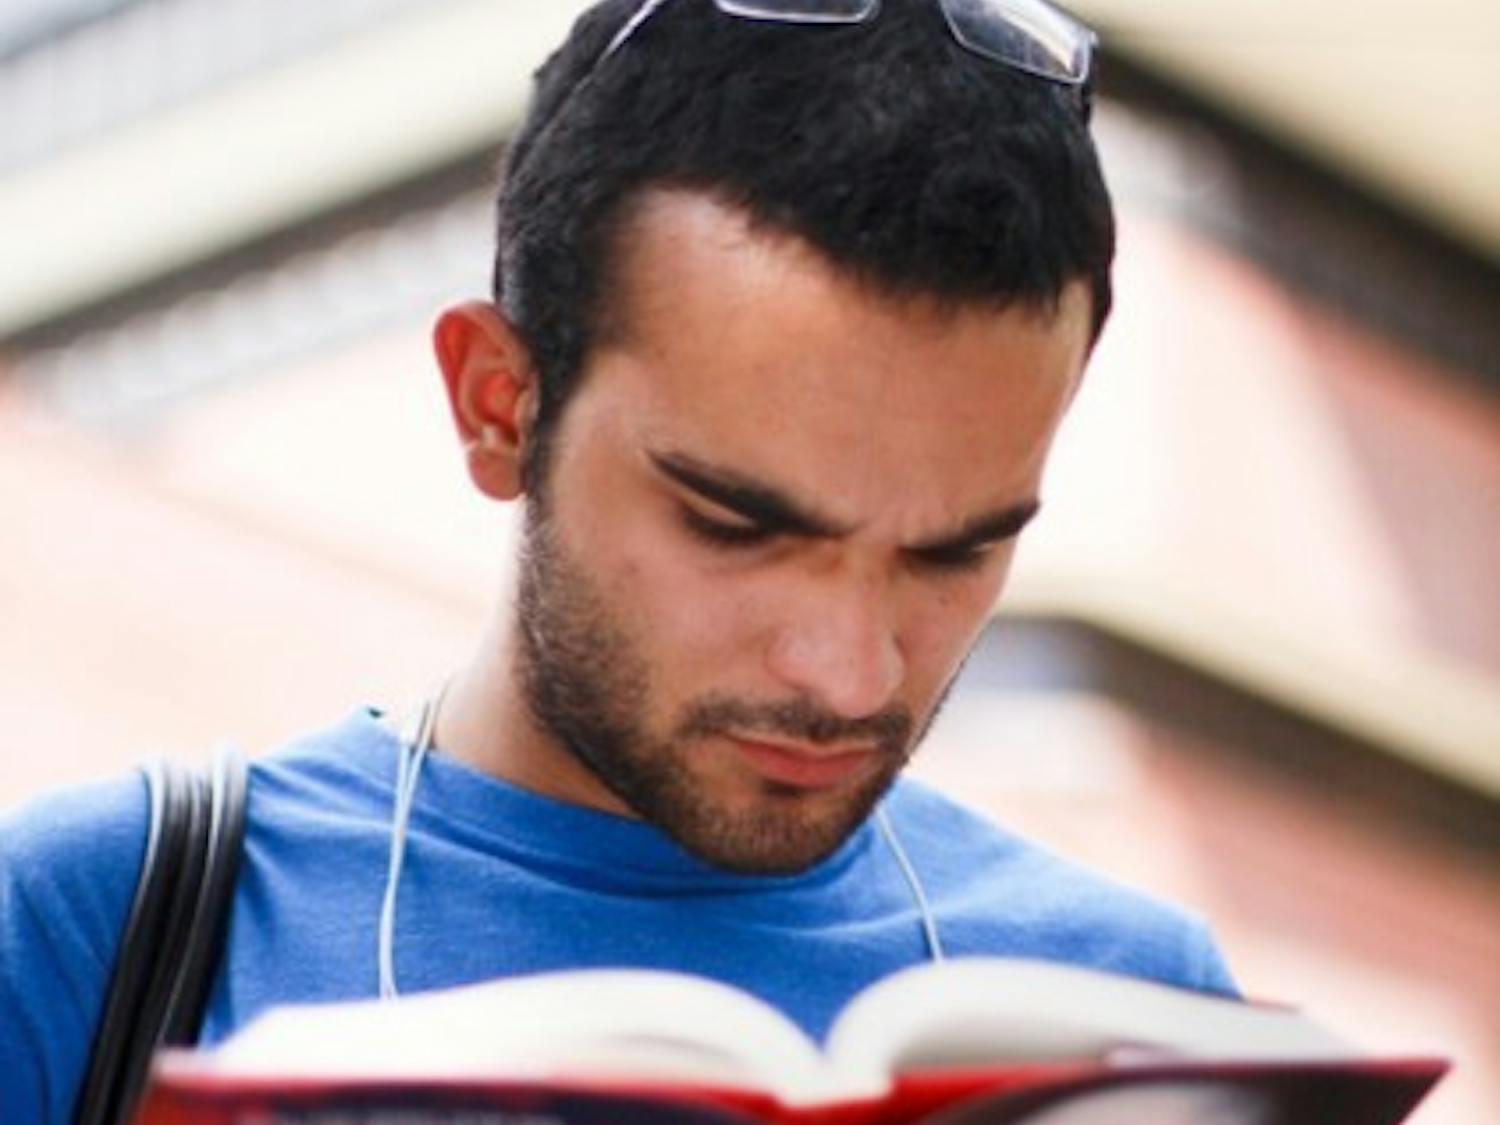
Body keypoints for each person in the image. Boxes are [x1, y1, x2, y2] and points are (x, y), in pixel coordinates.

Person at [0, 0, 1237, 1120]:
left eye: (954, 554)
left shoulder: (1142, 1022)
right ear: (500, 406)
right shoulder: (91, 929)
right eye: (734, 525)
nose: (850, 676)